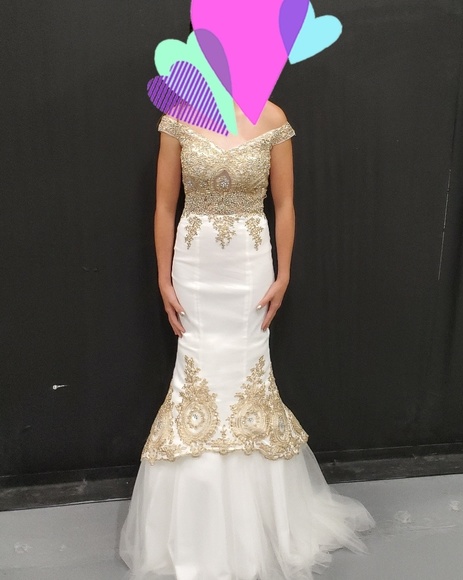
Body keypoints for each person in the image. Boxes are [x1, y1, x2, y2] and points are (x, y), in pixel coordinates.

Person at [119, 100, 375, 580]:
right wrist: (163, 278)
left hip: (249, 267)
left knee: (247, 379)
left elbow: (284, 204)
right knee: (195, 376)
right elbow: (165, 205)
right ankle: (191, 530)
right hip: (194, 266)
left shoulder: (273, 120)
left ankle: (259, 524)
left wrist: (284, 274)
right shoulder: (178, 115)